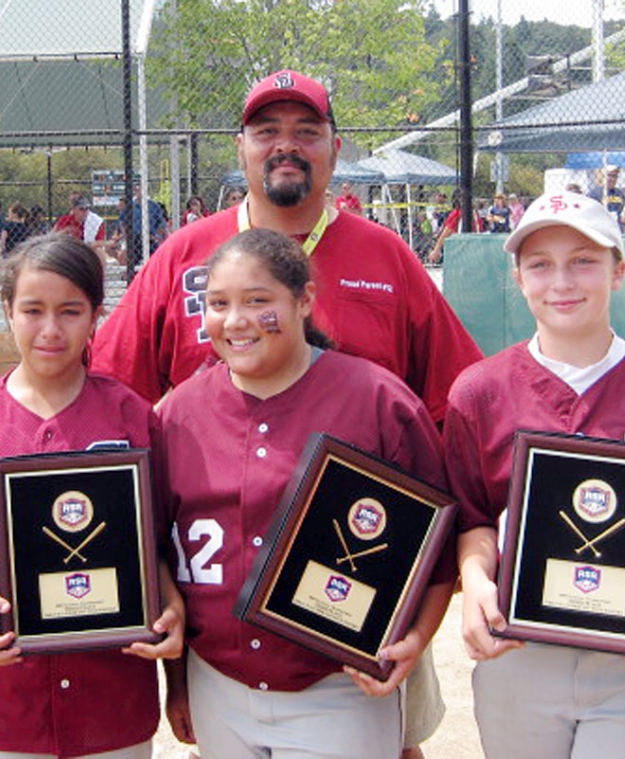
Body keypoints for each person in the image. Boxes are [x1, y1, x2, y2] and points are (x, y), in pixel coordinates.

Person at [93, 69, 483, 759]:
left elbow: (458, 400)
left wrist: (449, 543)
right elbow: (108, 395)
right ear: (240, 147)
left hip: (360, 576)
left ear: (336, 148)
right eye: (267, 131)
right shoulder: (185, 255)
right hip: (226, 595)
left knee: (394, 740)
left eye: (306, 132)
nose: (286, 146)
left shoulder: (384, 255)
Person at [446, 191, 625, 759]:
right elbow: (475, 520)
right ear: (519, 278)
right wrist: (477, 582)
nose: (562, 281)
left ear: (619, 271)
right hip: (520, 653)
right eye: (540, 264)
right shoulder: (479, 393)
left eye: (584, 260)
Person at [155, 228, 456, 759]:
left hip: (338, 682)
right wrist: (178, 680)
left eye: (258, 301)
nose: (236, 320)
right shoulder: (179, 412)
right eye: (218, 303)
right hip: (218, 681)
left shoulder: (377, 400)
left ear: (304, 301)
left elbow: (436, 547)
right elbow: (159, 553)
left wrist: (418, 640)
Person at [0, 233, 185, 759]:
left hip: (112, 701)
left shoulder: (132, 417)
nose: (51, 330)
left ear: (96, 315)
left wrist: (168, 601)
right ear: (8, 310)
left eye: (71, 311)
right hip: (5, 703)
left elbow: (159, 542)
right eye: (32, 310)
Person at [116, 184, 170, 271]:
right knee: (130, 260)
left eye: (139, 189)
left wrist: (156, 236)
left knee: (156, 260)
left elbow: (161, 224)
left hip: (150, 238)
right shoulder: (130, 206)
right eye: (136, 190)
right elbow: (122, 222)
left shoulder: (154, 206)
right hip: (135, 239)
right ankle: (130, 276)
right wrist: (126, 235)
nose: (137, 192)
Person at [426, 189, 465, 264]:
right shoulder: (472, 212)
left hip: (460, 248)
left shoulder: (457, 213)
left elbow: (447, 231)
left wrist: (436, 250)